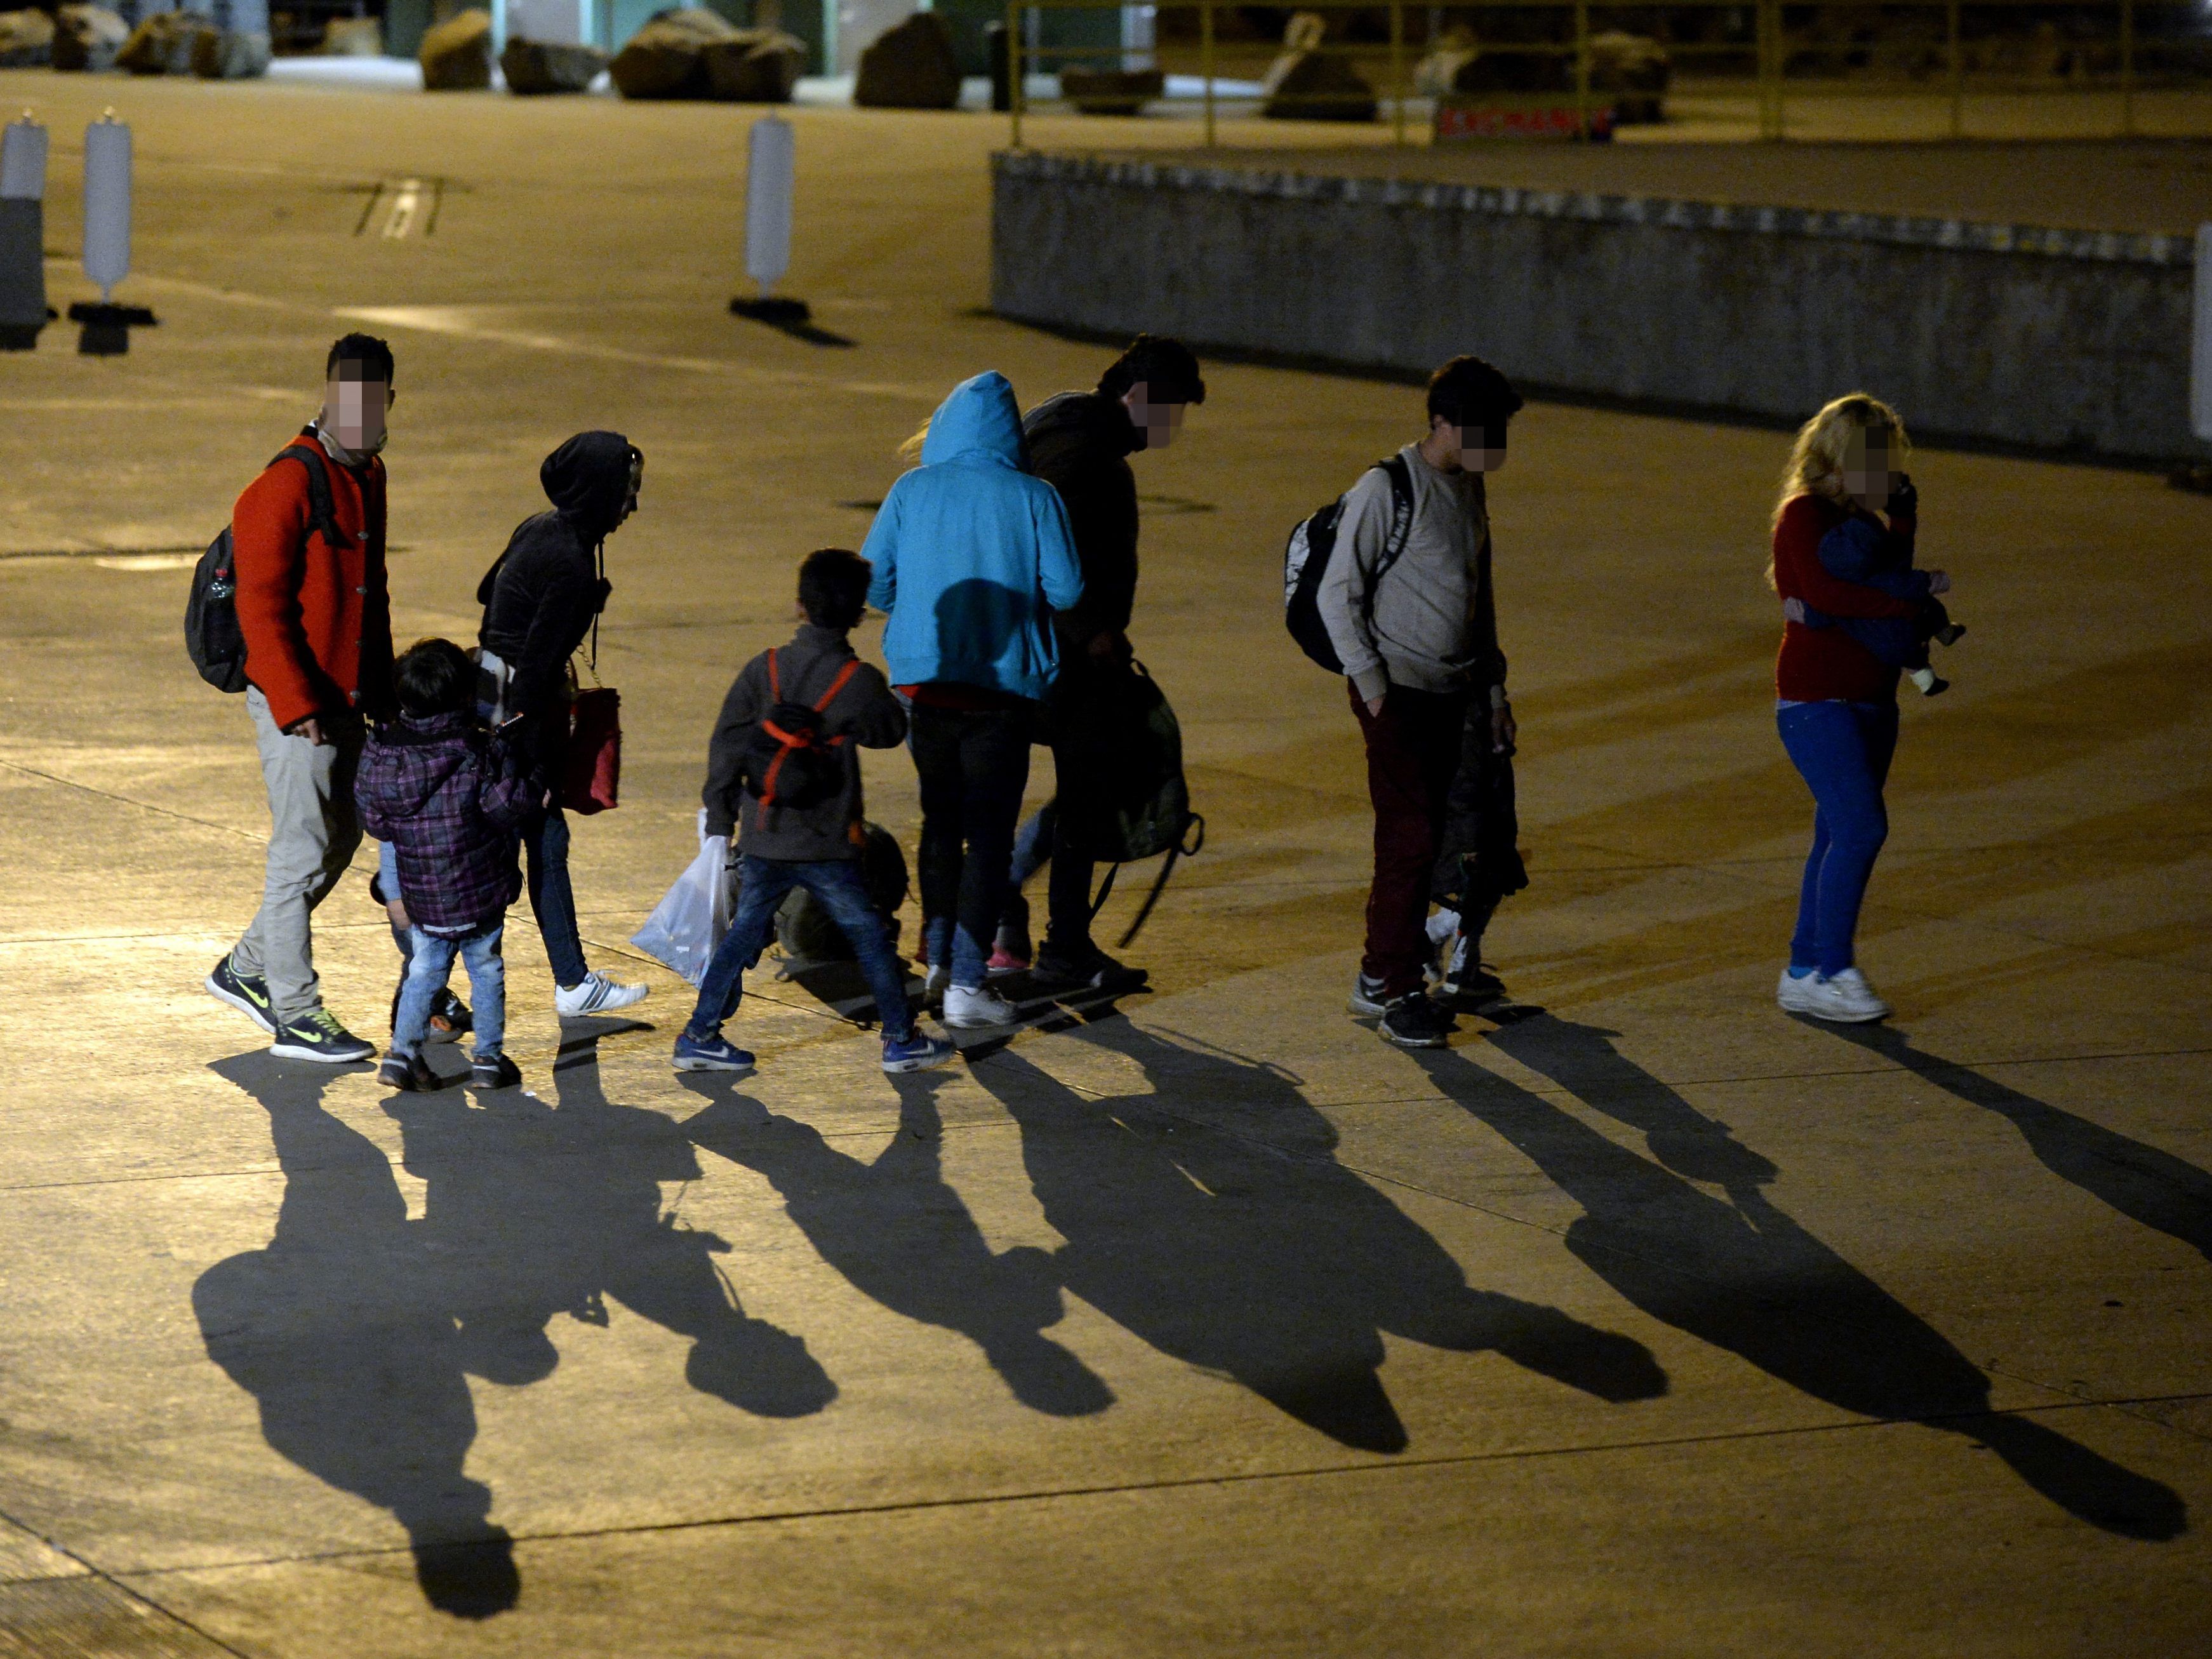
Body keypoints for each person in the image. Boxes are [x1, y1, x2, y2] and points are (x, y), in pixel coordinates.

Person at [676, 549, 957, 1076]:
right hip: (826, 843)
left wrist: (720, 821)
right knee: (869, 935)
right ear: (858, 614)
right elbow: (891, 732)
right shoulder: (860, 680)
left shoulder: (766, 668)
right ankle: (900, 1038)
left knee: (743, 934)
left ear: (799, 605)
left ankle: (700, 1034)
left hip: (763, 834)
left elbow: (727, 746)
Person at [861, 371, 1084, 1030]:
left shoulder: (912, 489)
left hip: (924, 688)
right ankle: (966, 979)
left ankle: (933, 958)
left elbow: (875, 586)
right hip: (1002, 690)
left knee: (939, 822)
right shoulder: (1035, 496)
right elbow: (1067, 590)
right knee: (987, 835)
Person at [203, 333, 398, 1063]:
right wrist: (297, 706)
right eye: (350, 397)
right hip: (297, 705)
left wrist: (379, 693)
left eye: (373, 398)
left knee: (340, 838)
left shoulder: (369, 474)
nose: (361, 411)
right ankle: (295, 1012)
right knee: (300, 848)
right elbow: (261, 609)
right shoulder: (286, 483)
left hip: (345, 698)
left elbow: (369, 595)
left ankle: (247, 967)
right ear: (328, 393)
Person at [1318, 355, 1521, 1049]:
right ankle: (1392, 984)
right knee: (1409, 838)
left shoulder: (1469, 487)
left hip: (1452, 690)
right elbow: (1336, 594)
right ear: (1442, 423)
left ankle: (1386, 973)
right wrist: (1372, 688)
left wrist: (1492, 690)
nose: (1495, 446)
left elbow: (1479, 598)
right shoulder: (1386, 488)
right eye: (1484, 430)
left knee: (1435, 835)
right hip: (1396, 689)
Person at [996, 334, 1208, 991]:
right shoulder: (1088, 456)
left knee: (1035, 795)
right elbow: (1041, 545)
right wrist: (1092, 632)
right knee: (1085, 799)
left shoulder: (1060, 428)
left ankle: (1003, 925)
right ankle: (1059, 945)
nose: (1173, 425)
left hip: (1023, 647)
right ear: (1139, 395)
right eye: (1171, 408)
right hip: (1061, 657)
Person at [1768, 393, 1950, 1023]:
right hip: (1815, 700)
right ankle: (1835, 969)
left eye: (1891, 463)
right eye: (1873, 463)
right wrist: (1906, 603)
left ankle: (1802, 969)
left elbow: (1878, 576)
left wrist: (1902, 524)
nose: (1886, 475)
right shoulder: (1802, 516)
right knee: (1860, 827)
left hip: (1873, 696)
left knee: (1834, 831)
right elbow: (1828, 594)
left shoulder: (1867, 525)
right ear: (1835, 462)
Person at [476, 430, 650, 1018]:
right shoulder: (573, 565)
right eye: (626, 493)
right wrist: (530, 761)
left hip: (485, 689)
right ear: (597, 494)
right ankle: (564, 983)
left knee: (527, 840)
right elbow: (536, 670)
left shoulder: (537, 527)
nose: (632, 506)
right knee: (530, 840)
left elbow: (487, 590)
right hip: (519, 710)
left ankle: (569, 979)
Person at [355, 638, 535, 1093]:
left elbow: (375, 820)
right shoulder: (476, 750)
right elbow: (505, 808)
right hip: (480, 889)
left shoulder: (381, 752)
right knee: (487, 969)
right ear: (463, 695)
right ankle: (489, 1060)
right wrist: (523, 768)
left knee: (424, 971)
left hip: (424, 896)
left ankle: (402, 1053)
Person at [1790, 472, 1964, 695]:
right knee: (1929, 613)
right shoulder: (1879, 572)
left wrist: (1800, 611)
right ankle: (1943, 631)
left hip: (1882, 647)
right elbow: (1905, 580)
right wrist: (1930, 582)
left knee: (1912, 659)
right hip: (1899, 631)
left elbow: (1822, 609)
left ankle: (1928, 678)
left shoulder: (1839, 577)